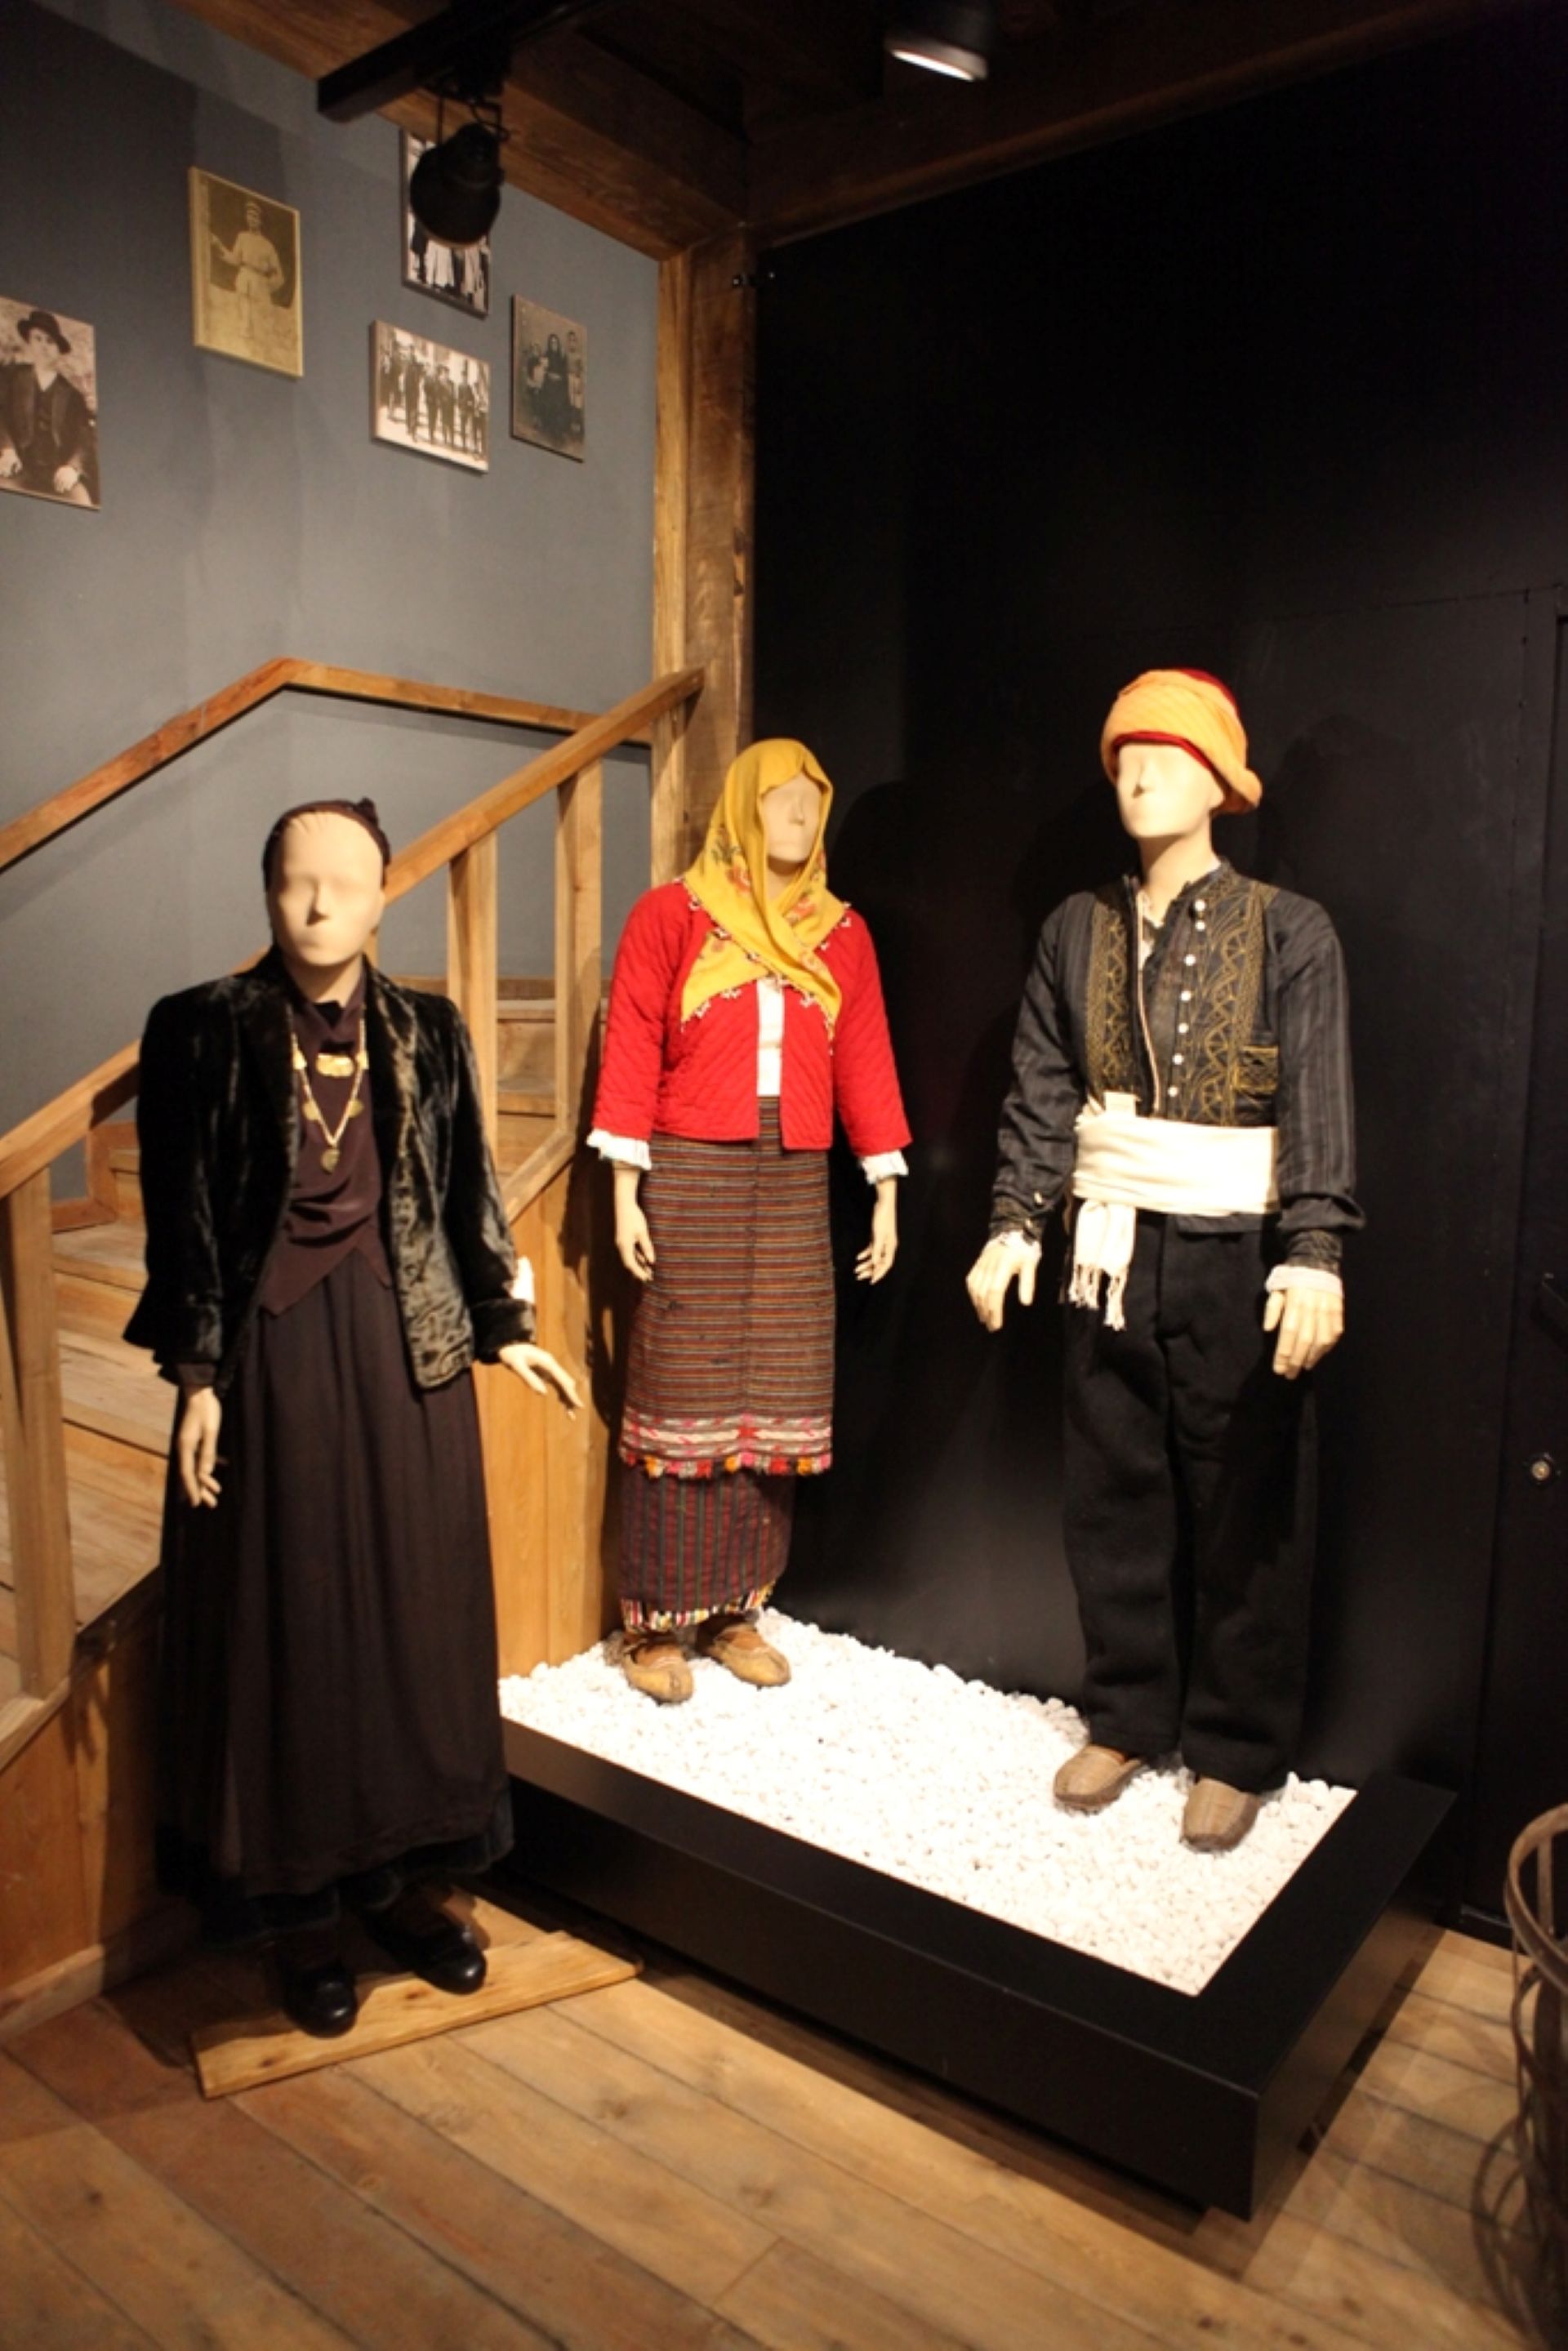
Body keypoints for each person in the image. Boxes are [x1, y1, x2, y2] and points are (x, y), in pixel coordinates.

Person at [128, 799, 580, 2034]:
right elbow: (183, 1213)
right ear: (267, 890)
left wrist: (504, 1324)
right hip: (274, 1357)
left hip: (406, 1353)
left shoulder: (426, 1029)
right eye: (296, 880)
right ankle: (304, 1913)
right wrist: (199, 1374)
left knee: (413, 1626)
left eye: (345, 881)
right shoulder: (201, 1028)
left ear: (386, 895)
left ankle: (403, 1885)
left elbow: (468, 1187)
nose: (320, 903)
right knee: (294, 1621)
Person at [966, 671, 1361, 1852]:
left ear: (1220, 782)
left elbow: (1319, 1098)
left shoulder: (1290, 928)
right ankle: (1128, 1711)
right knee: (1114, 1487)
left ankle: (1236, 1742)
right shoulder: (1075, 928)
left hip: (1237, 1247)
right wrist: (1013, 1222)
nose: (1140, 775)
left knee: (1248, 1495)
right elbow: (1042, 1084)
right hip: (1108, 1244)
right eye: (1125, 756)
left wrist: (1316, 1249)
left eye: (1169, 756)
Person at [589, 741, 911, 1703]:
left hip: (794, 1173)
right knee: (681, 1382)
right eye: (779, 799)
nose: (799, 815)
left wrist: (886, 1185)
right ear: (740, 808)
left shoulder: (840, 932)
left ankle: (735, 1607)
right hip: (693, 1166)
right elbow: (633, 1038)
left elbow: (865, 1054)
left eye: (813, 799)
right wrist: (624, 1185)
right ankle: (654, 1620)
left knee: (777, 1387)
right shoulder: (672, 915)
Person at [0, 309, 96, 506]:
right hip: (17, 468)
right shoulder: (11, 377)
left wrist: (72, 467)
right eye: (38, 339)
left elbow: (84, 437)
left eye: (50, 342)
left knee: (82, 503)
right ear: (29, 341)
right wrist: (7, 449)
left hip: (56, 474)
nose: (43, 346)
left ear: (58, 350)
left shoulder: (71, 394)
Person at [210, 198, 285, 341]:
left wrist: (266, 288)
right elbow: (235, 260)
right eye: (249, 215)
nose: (251, 219)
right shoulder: (242, 237)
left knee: (261, 329)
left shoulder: (267, 246)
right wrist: (218, 245)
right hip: (244, 279)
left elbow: (279, 277)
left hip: (260, 285)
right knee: (243, 324)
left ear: (261, 221)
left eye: (255, 216)